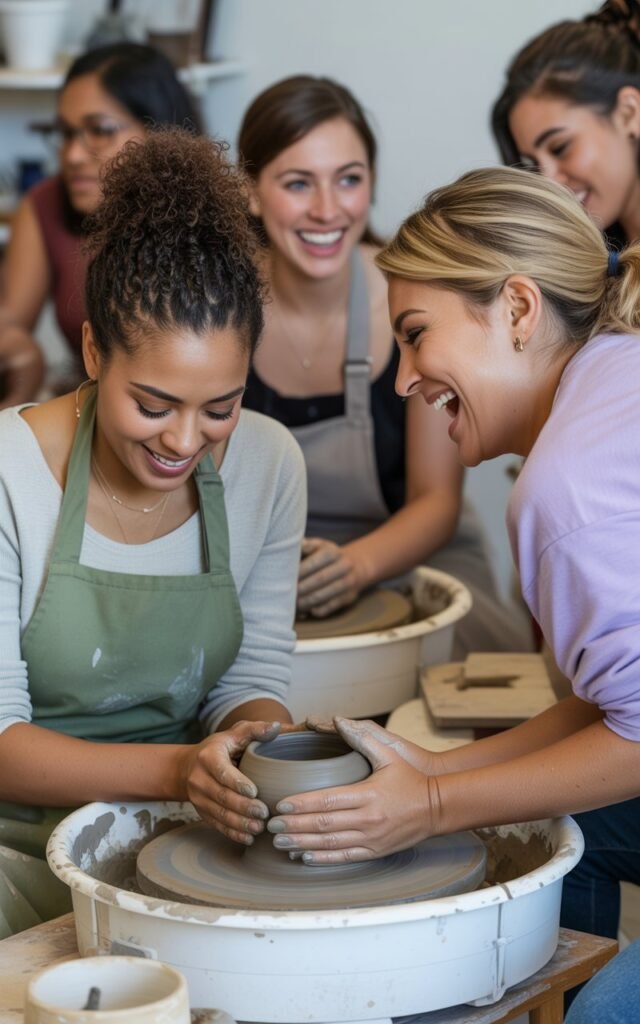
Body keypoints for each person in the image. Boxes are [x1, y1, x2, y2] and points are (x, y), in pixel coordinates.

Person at [262, 166, 640, 1021]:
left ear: (515, 309)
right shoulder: (618, 374)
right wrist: (435, 769)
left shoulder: (565, 488)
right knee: (555, 839)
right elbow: (614, 703)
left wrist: (430, 805)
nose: (403, 379)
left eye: (417, 334)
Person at [0, 128, 306, 938]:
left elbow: (251, 675)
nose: (183, 441)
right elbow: (1, 740)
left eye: (220, 407)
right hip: (13, 847)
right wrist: (180, 770)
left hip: (178, 831)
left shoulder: (269, 462)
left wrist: (254, 748)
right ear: (95, 351)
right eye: (154, 405)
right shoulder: (7, 471)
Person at [238, 75, 530, 656]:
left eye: (348, 179)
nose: (327, 209)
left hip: (410, 559)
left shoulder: (411, 300)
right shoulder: (217, 306)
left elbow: (436, 502)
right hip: (258, 569)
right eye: (298, 183)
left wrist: (355, 565)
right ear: (250, 190)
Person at [0, 41, 201, 409]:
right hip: (85, 418)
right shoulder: (44, 204)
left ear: (162, 133)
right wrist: (23, 355)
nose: (74, 155)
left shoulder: (210, 216)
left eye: (101, 129)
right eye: (65, 134)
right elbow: (10, 324)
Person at [492, 0, 640, 246]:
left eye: (560, 147)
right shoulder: (592, 273)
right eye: (534, 164)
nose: (549, 183)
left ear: (628, 113)